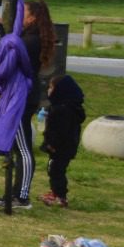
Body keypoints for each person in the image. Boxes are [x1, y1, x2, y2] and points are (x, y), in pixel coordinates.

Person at [0, 0, 56, 208]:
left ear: (33, 17)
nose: (19, 15)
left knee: (23, 147)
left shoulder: (32, 41)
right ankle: (13, 193)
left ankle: (22, 197)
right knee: (16, 146)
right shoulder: (23, 37)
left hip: (23, 98)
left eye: (23, 12)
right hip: (15, 96)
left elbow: (8, 53)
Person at [40, 74, 85, 208]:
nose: (48, 91)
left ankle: (59, 196)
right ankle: (56, 192)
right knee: (57, 169)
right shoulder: (72, 108)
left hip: (59, 148)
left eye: (51, 88)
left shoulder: (61, 110)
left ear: (60, 90)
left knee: (55, 170)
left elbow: (58, 131)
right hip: (68, 147)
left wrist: (51, 144)